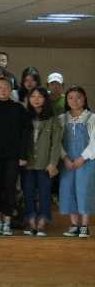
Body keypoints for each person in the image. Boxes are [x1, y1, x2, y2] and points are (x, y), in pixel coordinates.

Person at [0, 78, 31, 236]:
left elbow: (26, 132)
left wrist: (23, 155)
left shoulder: (19, 108)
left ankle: (7, 221)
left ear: (11, 89)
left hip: (13, 156)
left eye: (6, 87)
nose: (3, 90)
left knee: (10, 188)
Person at [22, 87, 62, 237]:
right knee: (28, 193)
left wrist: (53, 163)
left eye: (40, 96)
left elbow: (56, 144)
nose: (36, 99)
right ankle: (31, 220)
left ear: (45, 99)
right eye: (33, 96)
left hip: (45, 163)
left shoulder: (53, 119)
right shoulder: (24, 117)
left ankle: (43, 221)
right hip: (27, 162)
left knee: (45, 193)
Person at [59, 86, 95, 238]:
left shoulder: (91, 118)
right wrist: (65, 157)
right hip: (67, 162)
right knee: (68, 190)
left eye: (78, 97)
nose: (74, 100)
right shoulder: (62, 119)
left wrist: (82, 158)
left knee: (84, 190)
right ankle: (74, 224)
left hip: (86, 161)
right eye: (71, 97)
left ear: (84, 98)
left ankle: (85, 226)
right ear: (66, 100)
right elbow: (57, 141)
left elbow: (94, 142)